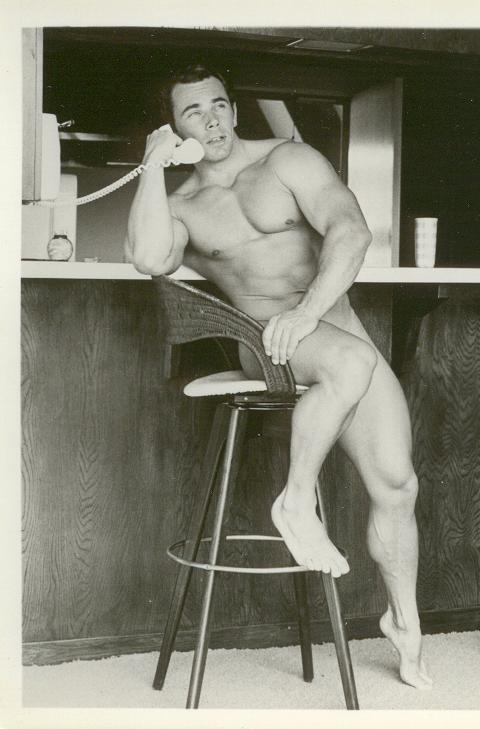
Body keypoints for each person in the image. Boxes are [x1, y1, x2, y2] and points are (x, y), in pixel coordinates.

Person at [126, 63, 432, 690]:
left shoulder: (289, 160)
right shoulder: (182, 205)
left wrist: (309, 311)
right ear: (174, 129)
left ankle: (403, 622)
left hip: (333, 330)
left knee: (399, 485)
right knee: (351, 362)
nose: (212, 120)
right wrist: (153, 168)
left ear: (234, 109)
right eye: (192, 112)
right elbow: (149, 258)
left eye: (219, 104)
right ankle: (295, 502)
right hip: (261, 343)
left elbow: (351, 230)